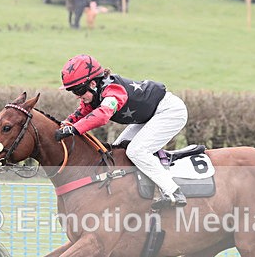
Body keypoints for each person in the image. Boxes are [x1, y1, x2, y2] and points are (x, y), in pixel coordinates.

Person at [57, 54, 188, 209]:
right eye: (73, 92)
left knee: (136, 151)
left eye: (78, 91)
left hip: (169, 111)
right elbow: (80, 113)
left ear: (92, 83)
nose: (77, 96)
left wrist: (74, 129)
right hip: (149, 116)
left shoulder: (113, 90)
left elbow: (102, 115)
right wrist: (63, 125)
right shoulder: (94, 94)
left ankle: (173, 192)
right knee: (116, 153)